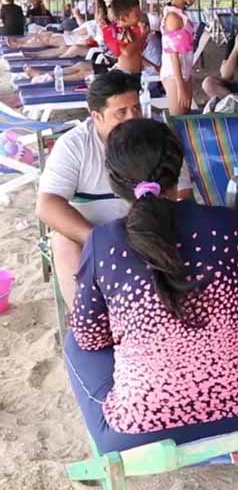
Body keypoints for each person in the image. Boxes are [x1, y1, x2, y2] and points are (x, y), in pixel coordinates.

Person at [64, 118, 238, 453]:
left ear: (115, 180)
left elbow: (90, 337)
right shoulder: (227, 224)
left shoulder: (104, 242)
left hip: (143, 432)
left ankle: (143, 402)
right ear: (178, 168)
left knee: (75, 342)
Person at [36, 71, 192, 312]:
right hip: (93, 234)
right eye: (121, 112)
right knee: (62, 241)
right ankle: (85, 317)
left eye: (136, 108)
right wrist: (99, 240)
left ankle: (169, 313)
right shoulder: (74, 145)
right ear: (96, 117)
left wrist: (149, 232)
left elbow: (183, 196)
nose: (133, 118)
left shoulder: (156, 138)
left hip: (152, 229)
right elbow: (47, 206)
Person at [161, 0, 200, 115]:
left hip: (183, 73)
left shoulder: (179, 15)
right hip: (175, 75)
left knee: (184, 115)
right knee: (178, 117)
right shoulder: (173, 18)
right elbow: (173, 54)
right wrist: (180, 86)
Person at [104, 0, 151, 75]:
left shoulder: (130, 29)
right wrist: (143, 35)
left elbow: (137, 50)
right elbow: (127, 52)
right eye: (137, 15)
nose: (140, 17)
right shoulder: (119, 31)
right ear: (123, 18)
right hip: (126, 75)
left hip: (135, 73)